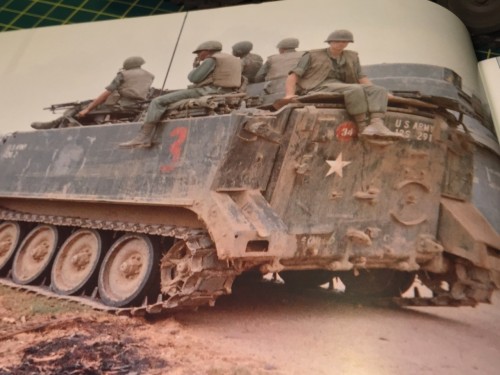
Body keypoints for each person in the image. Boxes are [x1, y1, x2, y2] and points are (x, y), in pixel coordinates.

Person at [119, 40, 242, 148]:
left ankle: (143, 137)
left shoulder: (211, 59)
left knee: (157, 101)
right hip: (229, 91)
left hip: (209, 90)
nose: (198, 55)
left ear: (207, 51)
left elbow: (194, 78)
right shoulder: (233, 59)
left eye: (199, 53)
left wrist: (196, 66)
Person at [284, 30, 402, 138]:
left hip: (341, 85)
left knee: (379, 90)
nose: (341, 43)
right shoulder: (313, 55)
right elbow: (294, 75)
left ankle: (377, 124)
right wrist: (289, 94)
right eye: (337, 41)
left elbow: (361, 77)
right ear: (330, 42)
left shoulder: (352, 56)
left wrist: (379, 92)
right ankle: (362, 126)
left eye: (344, 41)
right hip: (317, 85)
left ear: (348, 43)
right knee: (355, 90)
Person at [31, 56, 154, 130]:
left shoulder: (123, 74)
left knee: (78, 107)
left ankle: (56, 124)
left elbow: (106, 93)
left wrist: (87, 109)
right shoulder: (150, 76)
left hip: (120, 106)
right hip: (136, 106)